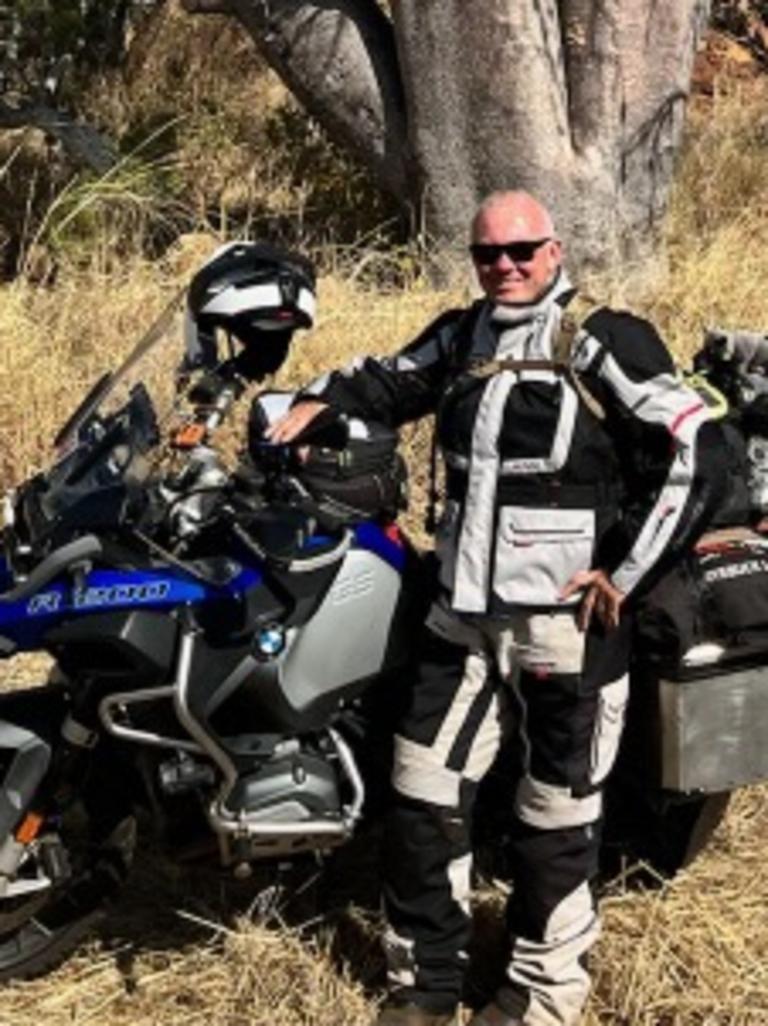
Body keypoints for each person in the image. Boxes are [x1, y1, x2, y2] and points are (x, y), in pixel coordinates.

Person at [266, 191, 724, 1026]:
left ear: (554, 251)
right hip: (462, 620)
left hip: (567, 633)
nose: (504, 268)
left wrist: (625, 571)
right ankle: (424, 985)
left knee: (555, 819)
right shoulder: (462, 334)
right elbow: (389, 379)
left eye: (521, 251)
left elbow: (697, 446)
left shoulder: (602, 340)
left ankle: (540, 998)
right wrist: (317, 398)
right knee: (420, 796)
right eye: (487, 255)